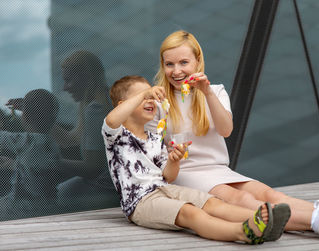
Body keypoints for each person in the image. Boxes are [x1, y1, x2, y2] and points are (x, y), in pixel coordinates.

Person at [145, 30, 319, 241]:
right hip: (186, 173)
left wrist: (206, 93)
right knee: (243, 201)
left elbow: (226, 130)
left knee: (268, 193)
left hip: (217, 168)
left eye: (184, 62)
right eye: (169, 64)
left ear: (197, 61)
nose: (176, 71)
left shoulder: (215, 91)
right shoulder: (159, 102)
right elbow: (154, 154)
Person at [101, 75, 292, 244]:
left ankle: (265, 220)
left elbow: (168, 176)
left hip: (166, 189)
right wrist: (145, 94)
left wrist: (174, 161)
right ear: (124, 104)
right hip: (141, 202)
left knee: (213, 204)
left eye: (151, 96)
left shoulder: (154, 137)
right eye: (144, 97)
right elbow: (111, 119)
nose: (150, 99)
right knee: (190, 213)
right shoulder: (116, 135)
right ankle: (243, 232)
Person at [51, 50, 116, 203]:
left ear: (86, 77)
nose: (64, 88)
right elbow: (69, 139)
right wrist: (39, 118)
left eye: (68, 80)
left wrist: (50, 161)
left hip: (104, 192)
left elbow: (93, 168)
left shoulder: (96, 110)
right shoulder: (106, 102)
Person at [0, 89, 62, 219]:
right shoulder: (52, 144)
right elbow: (35, 171)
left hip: (21, 209)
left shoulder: (27, 140)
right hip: (47, 208)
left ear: (26, 117)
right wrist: (13, 164)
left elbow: (2, 137)